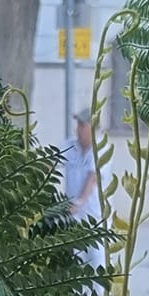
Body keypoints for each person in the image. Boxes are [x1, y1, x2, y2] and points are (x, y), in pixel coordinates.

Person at [66, 111, 105, 268]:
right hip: (75, 219)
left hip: (96, 219)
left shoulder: (101, 149)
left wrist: (79, 202)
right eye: (78, 125)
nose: (78, 129)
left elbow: (92, 178)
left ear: (93, 128)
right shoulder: (69, 146)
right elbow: (51, 163)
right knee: (76, 264)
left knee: (98, 264)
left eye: (82, 125)